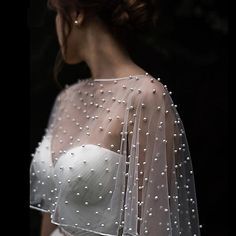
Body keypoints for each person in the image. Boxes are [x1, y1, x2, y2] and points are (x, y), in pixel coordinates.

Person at [30, 0, 201, 235]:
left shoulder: (146, 97)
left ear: (77, 13)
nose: (56, 25)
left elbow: (153, 227)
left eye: (57, 15)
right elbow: (50, 214)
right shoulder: (65, 99)